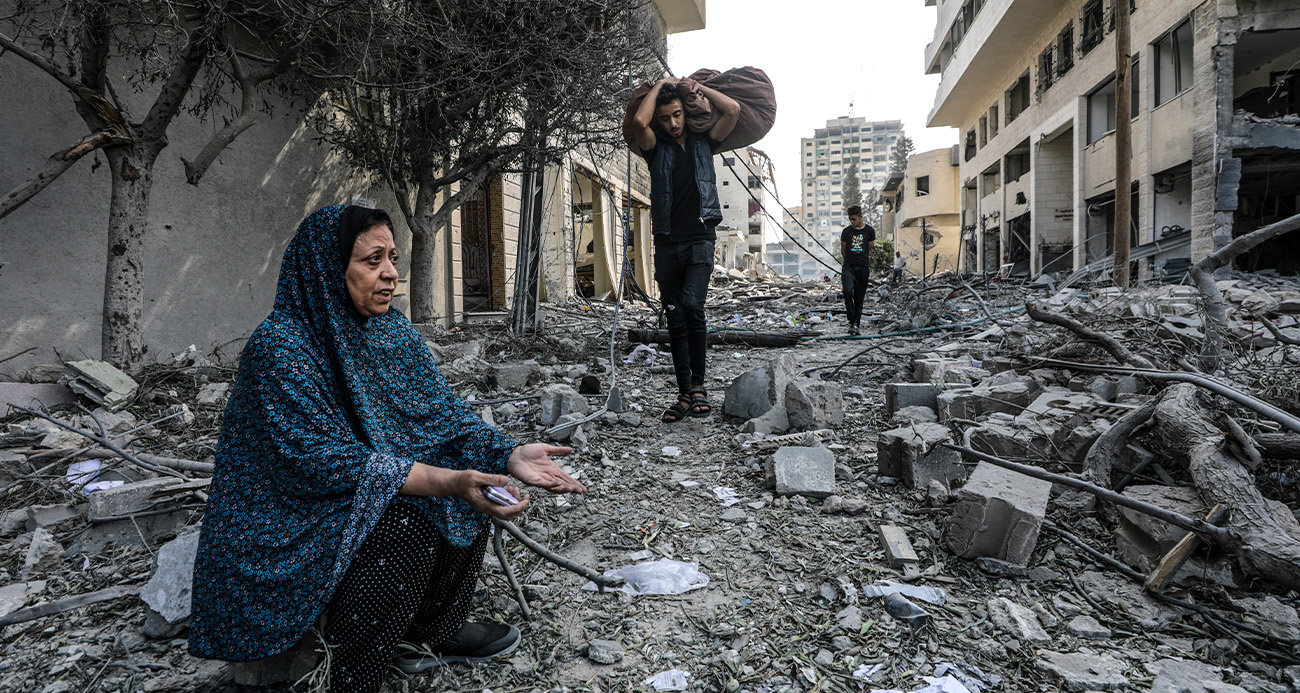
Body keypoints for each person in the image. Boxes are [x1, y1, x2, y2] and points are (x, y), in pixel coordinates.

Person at [188, 205, 586, 693]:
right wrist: (444, 481)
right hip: (289, 514)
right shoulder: (282, 346)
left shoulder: (391, 331)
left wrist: (508, 454)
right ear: (328, 268)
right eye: (372, 260)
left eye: (393, 258)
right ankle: (354, 675)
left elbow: (443, 417)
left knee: (472, 485)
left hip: (361, 485)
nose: (391, 273)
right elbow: (317, 462)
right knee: (406, 520)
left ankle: (428, 633)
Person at [629, 77, 740, 423]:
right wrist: (662, 83)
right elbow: (638, 122)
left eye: (677, 114)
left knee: (693, 306)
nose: (673, 123)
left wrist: (694, 87)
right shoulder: (654, 148)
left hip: (700, 238)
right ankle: (684, 394)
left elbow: (732, 109)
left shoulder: (705, 141)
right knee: (675, 317)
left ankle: (699, 385)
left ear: (685, 113)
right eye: (665, 118)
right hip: (666, 241)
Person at [839, 205, 876, 336]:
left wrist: (861, 260)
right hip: (849, 267)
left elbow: (869, 249)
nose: (852, 221)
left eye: (854, 219)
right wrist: (850, 261)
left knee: (859, 297)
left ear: (860, 217)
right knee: (847, 291)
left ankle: (855, 325)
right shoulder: (846, 232)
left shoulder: (870, 231)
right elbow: (843, 250)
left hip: (863, 267)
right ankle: (852, 319)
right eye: (850, 219)